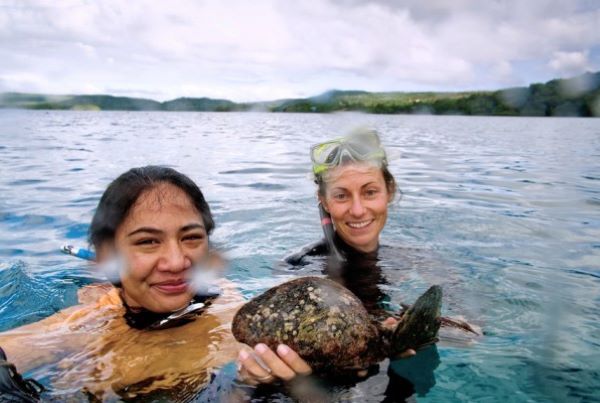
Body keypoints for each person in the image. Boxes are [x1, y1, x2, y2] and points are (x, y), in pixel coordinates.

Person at [0, 166, 307, 401]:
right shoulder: (83, 328)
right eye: (148, 241)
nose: (176, 262)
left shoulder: (236, 316)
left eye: (191, 238)